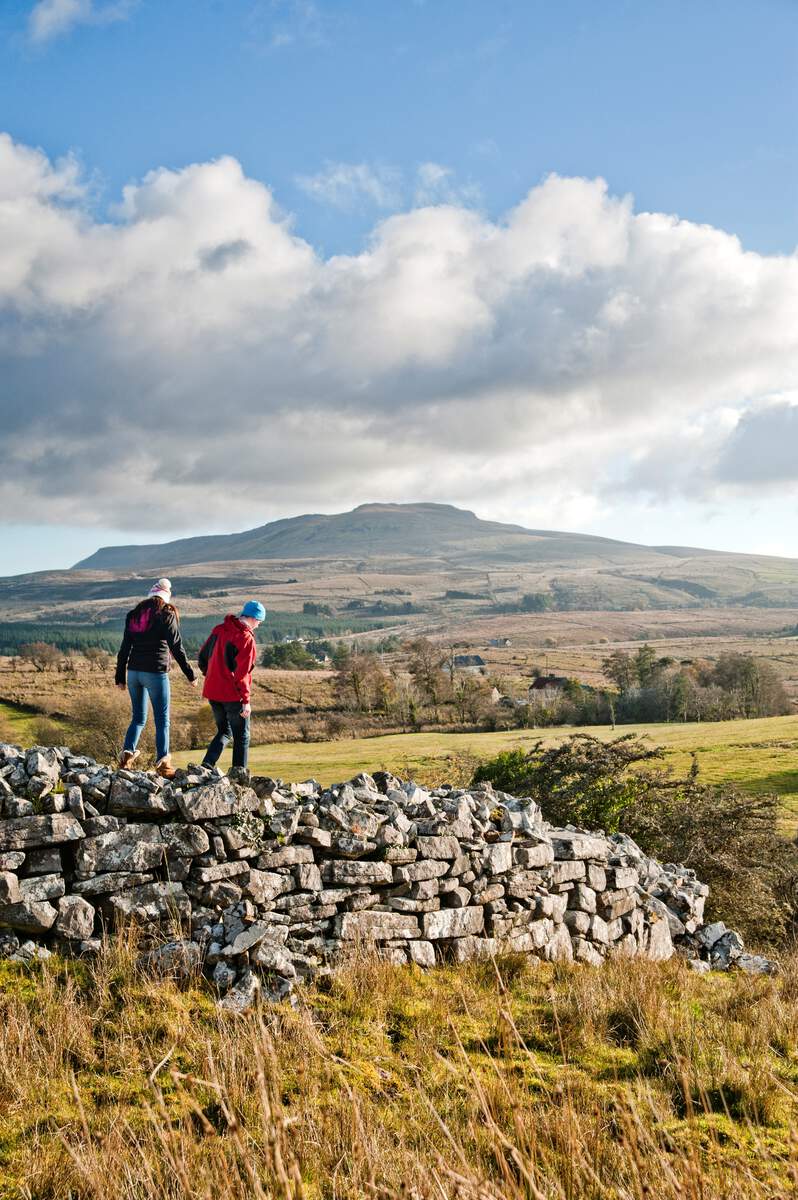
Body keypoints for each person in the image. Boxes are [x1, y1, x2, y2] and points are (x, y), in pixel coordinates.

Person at [115, 578, 197, 778]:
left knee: (138, 718)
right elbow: (176, 647)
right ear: (166, 597)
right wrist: (191, 674)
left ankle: (126, 757)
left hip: (134, 673)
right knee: (162, 720)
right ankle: (163, 765)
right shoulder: (166, 614)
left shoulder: (134, 615)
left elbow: (124, 648)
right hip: (155, 673)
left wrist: (120, 677)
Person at [197, 600, 264, 778]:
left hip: (212, 691)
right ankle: (238, 777)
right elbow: (242, 675)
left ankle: (206, 765)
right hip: (232, 696)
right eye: (259, 621)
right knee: (242, 736)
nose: (259, 625)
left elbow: (202, 657)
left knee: (224, 731)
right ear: (252, 618)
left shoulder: (219, 629)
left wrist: (212, 676)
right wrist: (246, 701)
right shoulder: (246, 639)